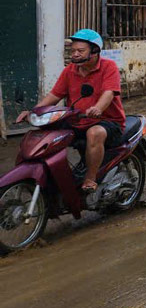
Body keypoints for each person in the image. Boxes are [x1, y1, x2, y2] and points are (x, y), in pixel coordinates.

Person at [16, 29, 125, 193]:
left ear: (94, 51)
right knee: (44, 133)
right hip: (77, 120)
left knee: (94, 133)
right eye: (72, 50)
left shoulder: (109, 67)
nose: (75, 54)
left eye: (80, 51)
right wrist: (33, 112)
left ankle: (90, 177)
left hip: (107, 121)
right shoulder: (70, 70)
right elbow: (54, 95)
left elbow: (108, 93)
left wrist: (98, 108)